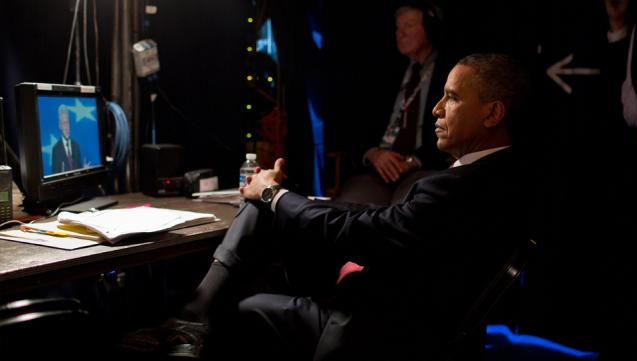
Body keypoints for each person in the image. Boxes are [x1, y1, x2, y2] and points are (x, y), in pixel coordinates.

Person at [120, 53, 532, 361]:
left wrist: (272, 196)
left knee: (242, 306)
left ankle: (189, 320)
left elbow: (370, 232)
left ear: (493, 112)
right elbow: (385, 222)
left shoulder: (461, 188)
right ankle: (190, 319)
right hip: (400, 315)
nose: (437, 110)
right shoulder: (505, 177)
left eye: (452, 98)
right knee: (267, 210)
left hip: (374, 331)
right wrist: (283, 198)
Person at [335, 1, 453, 205]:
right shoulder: (384, 72)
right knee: (350, 207)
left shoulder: (450, 74)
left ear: (429, 28)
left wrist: (414, 161)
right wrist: (372, 153)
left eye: (408, 25)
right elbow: (354, 123)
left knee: (405, 211)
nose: (401, 33)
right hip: (377, 170)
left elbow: (455, 130)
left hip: (424, 168)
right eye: (398, 27)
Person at [51, 104, 83, 173]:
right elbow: (55, 176)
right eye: (64, 123)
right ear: (60, 126)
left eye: (68, 122)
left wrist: (85, 170)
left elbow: (79, 170)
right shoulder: (56, 149)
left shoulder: (76, 145)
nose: (67, 127)